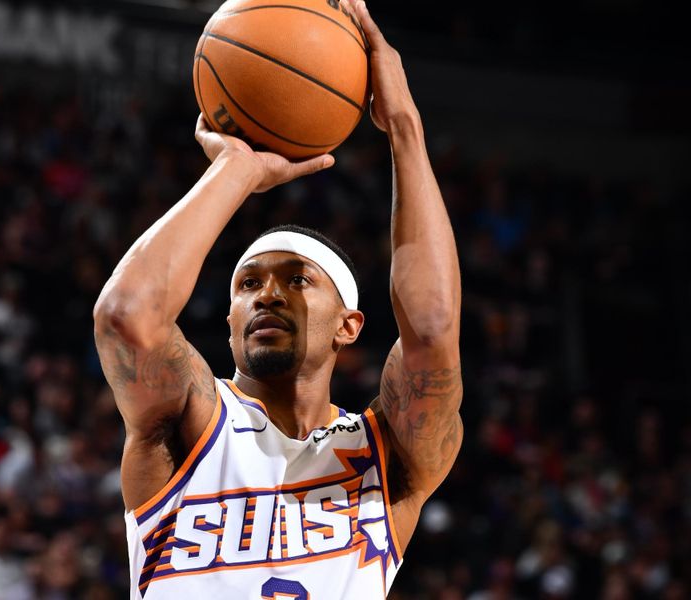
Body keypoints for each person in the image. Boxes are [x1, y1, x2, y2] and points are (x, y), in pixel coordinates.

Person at [93, 1, 462, 597]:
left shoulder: (388, 455)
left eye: (296, 279)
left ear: (348, 325)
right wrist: (235, 170)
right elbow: (125, 317)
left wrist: (405, 130)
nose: (266, 294)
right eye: (247, 283)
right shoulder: (192, 419)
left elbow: (433, 328)